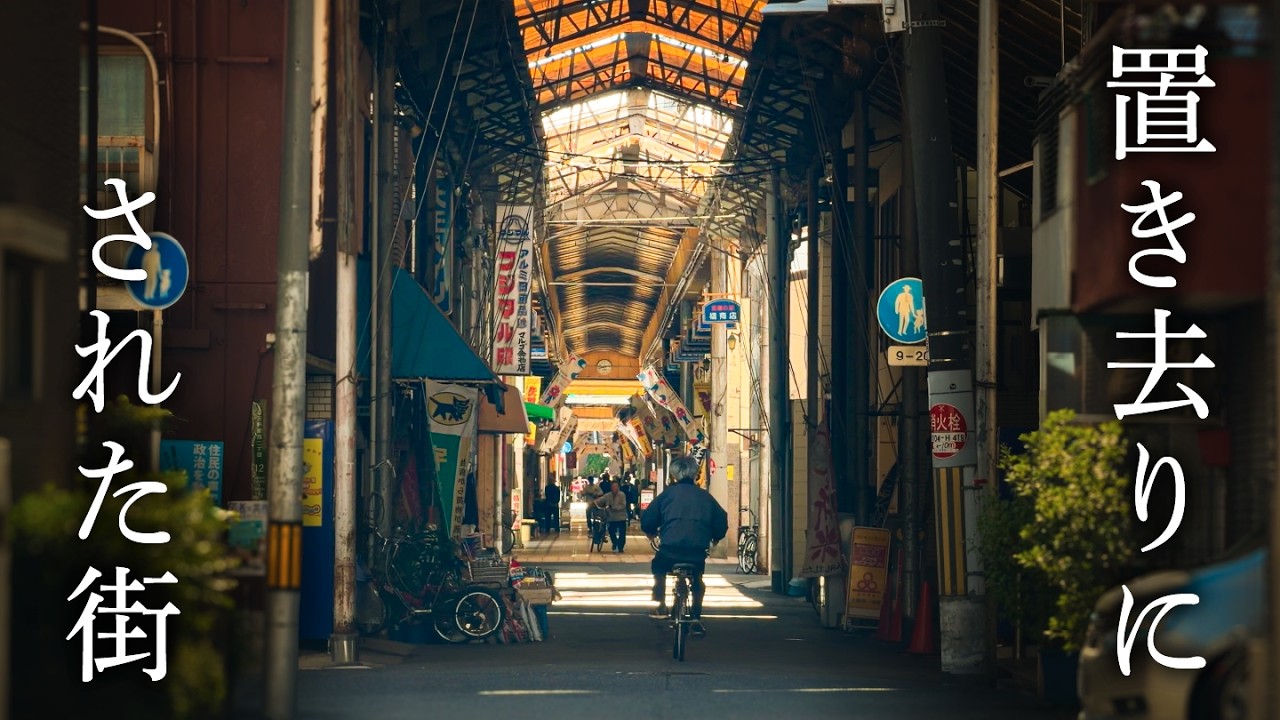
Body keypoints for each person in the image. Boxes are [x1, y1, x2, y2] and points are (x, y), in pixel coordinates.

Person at [640, 455, 727, 638]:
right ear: (695, 474)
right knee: (697, 579)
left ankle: (660, 603)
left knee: (658, 567)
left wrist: (651, 532)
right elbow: (721, 521)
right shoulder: (705, 497)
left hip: (670, 550)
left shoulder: (667, 495)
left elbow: (648, 519)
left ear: (674, 475)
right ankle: (696, 617)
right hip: (696, 552)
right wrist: (716, 537)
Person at [595, 481, 630, 553]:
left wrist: (614, 507)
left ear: (618, 487)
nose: (614, 488)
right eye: (613, 487)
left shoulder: (622, 495)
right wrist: (594, 503)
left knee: (622, 533)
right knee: (611, 531)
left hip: (621, 517)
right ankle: (615, 543)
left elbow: (623, 505)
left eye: (616, 487)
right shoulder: (608, 495)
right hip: (611, 517)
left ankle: (620, 546)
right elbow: (600, 500)